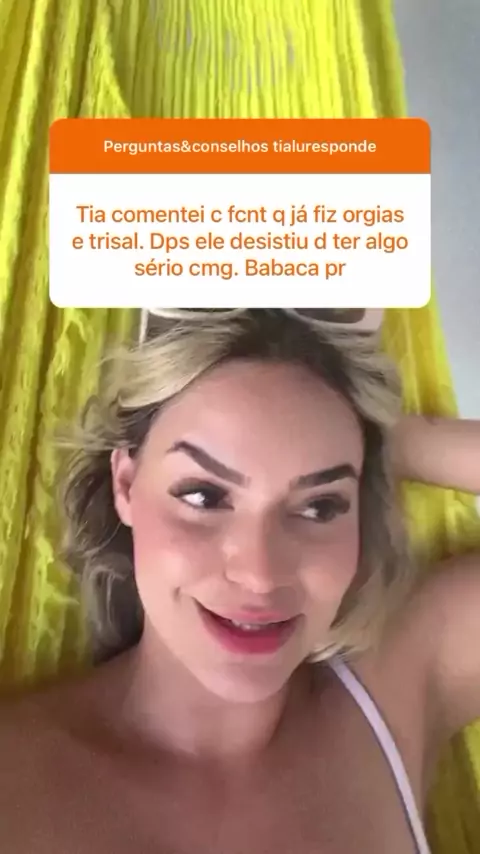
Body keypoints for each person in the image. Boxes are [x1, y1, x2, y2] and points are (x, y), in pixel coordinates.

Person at [1, 308, 479, 854]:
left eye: (320, 505)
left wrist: (387, 441)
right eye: (204, 496)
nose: (259, 575)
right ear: (126, 486)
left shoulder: (397, 696)